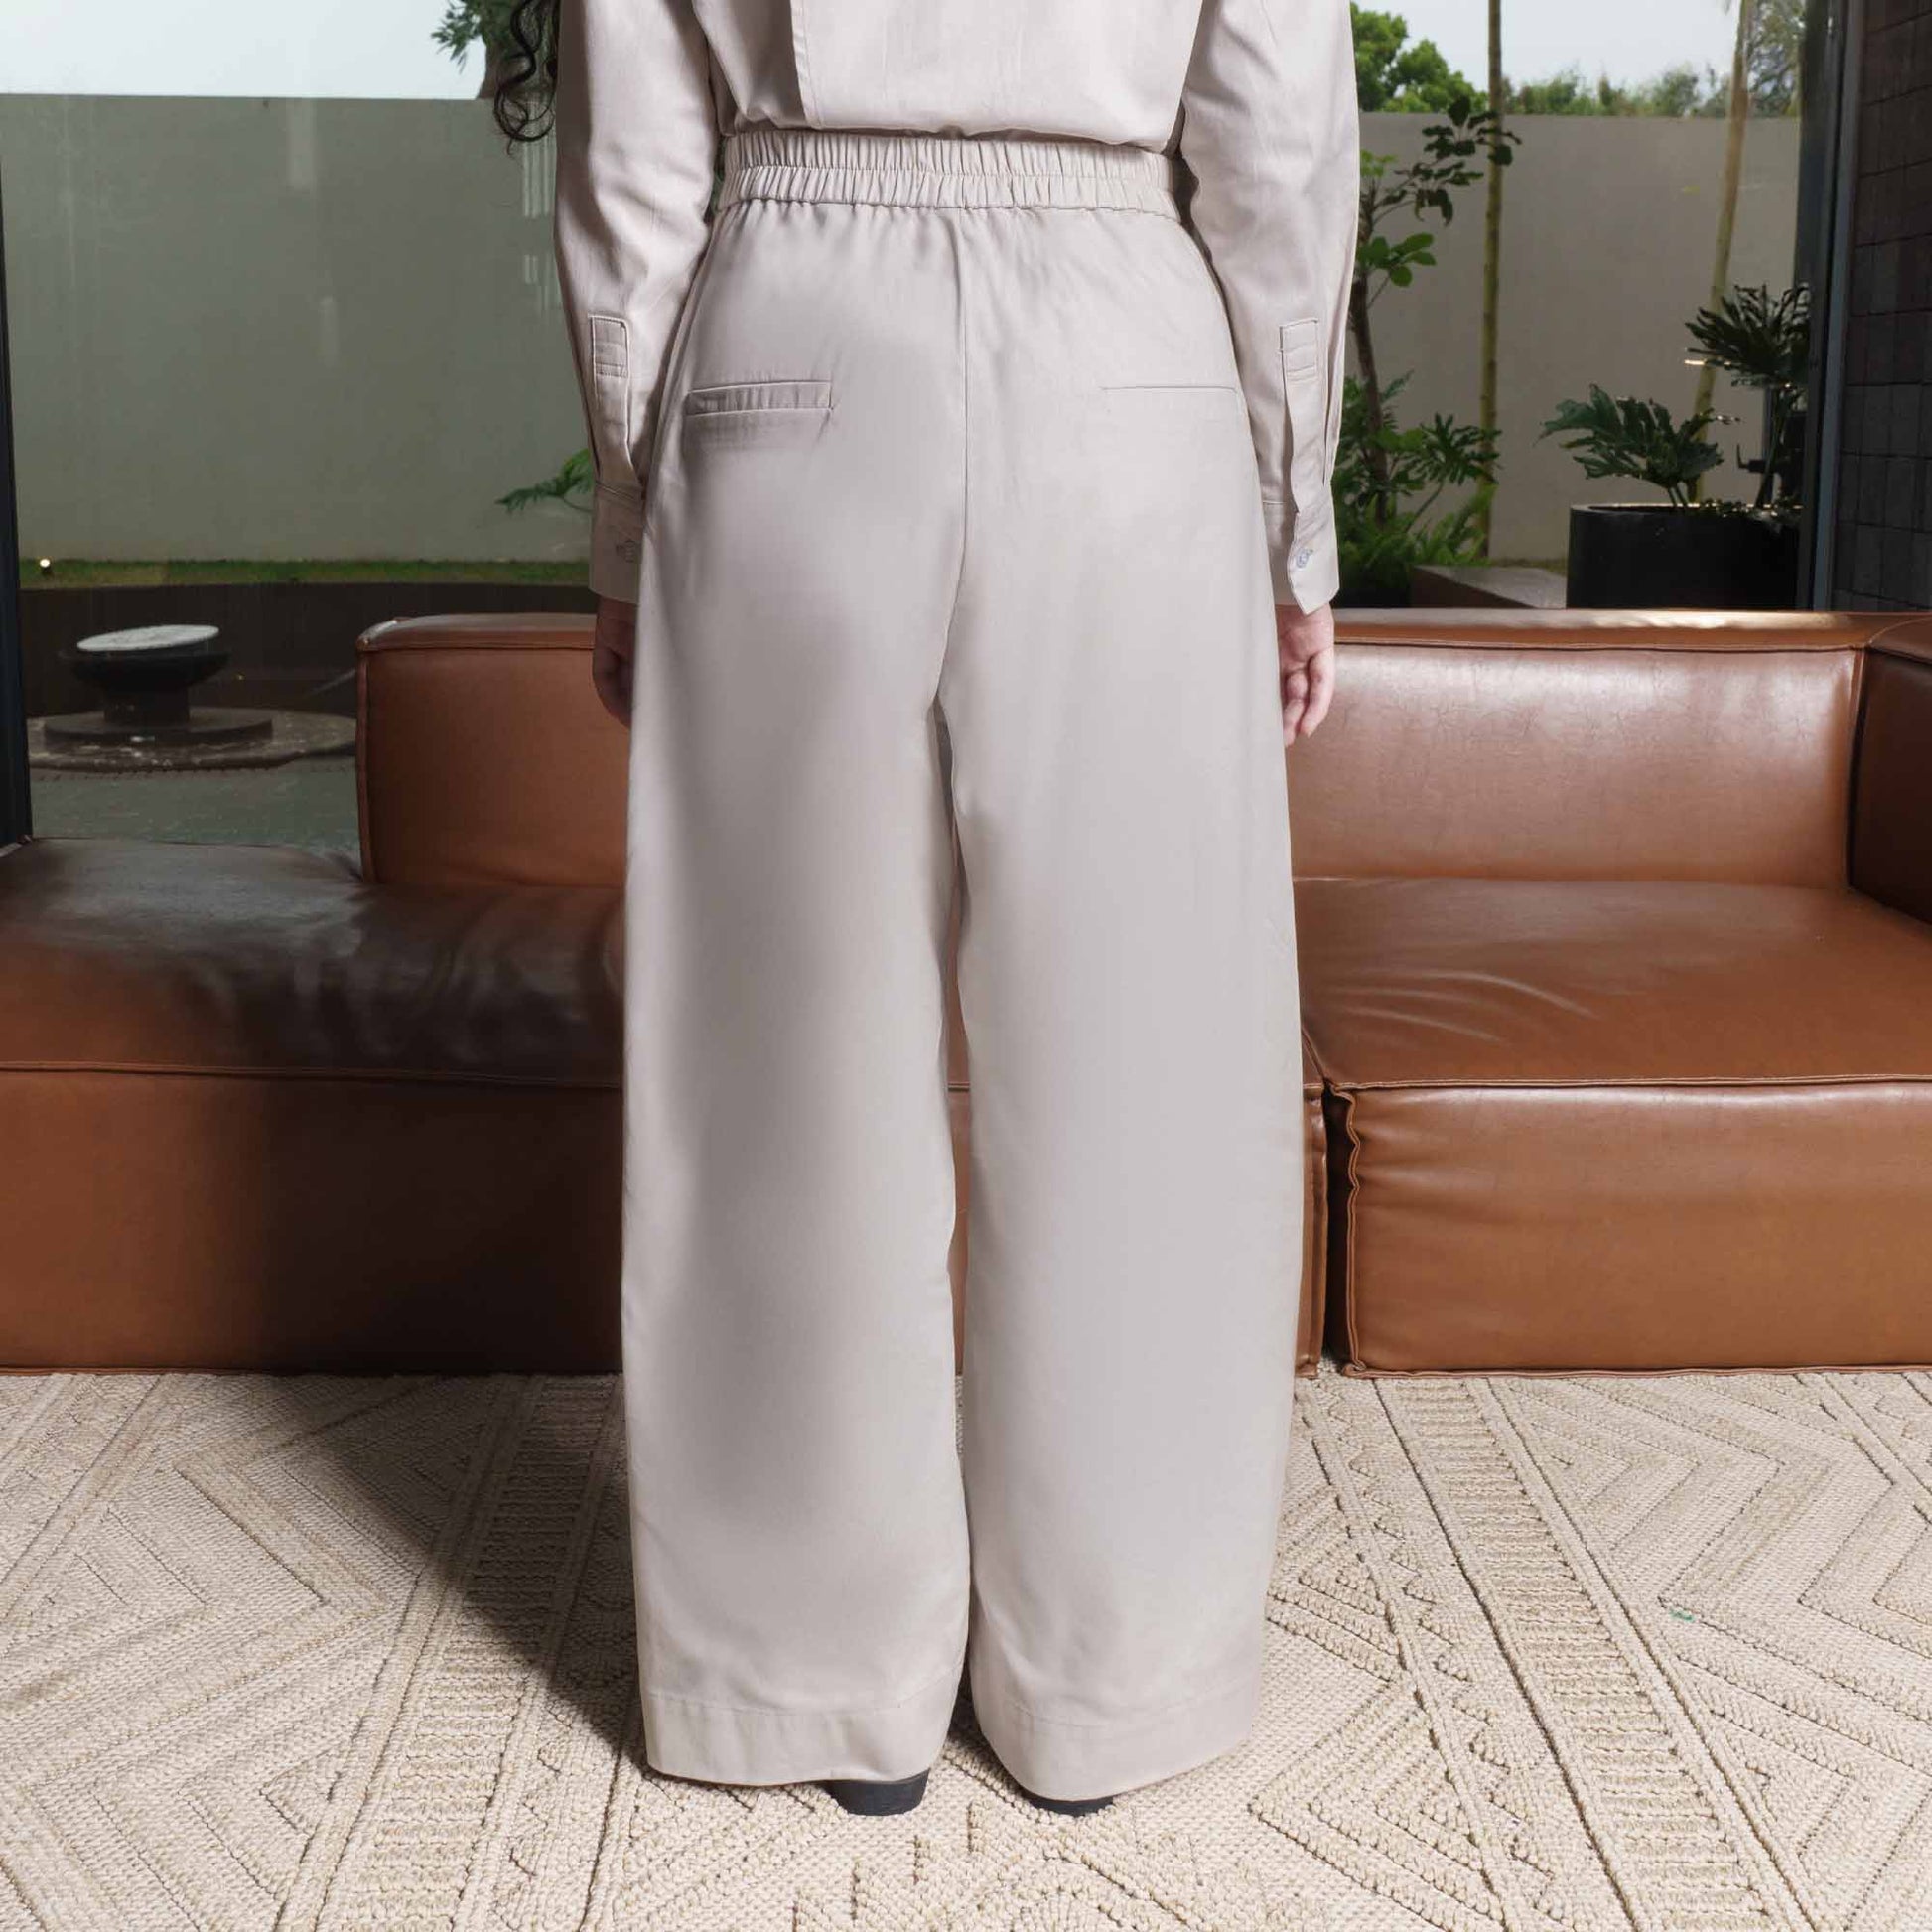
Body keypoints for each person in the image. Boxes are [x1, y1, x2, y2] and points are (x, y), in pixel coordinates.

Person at [500, 0, 1357, 1818]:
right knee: (1143, 1057)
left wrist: (634, 515)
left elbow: (631, 152)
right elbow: (1274, 138)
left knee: (782, 1046)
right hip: (1128, 352)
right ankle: (1107, 1683)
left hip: (793, 327)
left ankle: (804, 1680)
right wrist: (1294, 523)